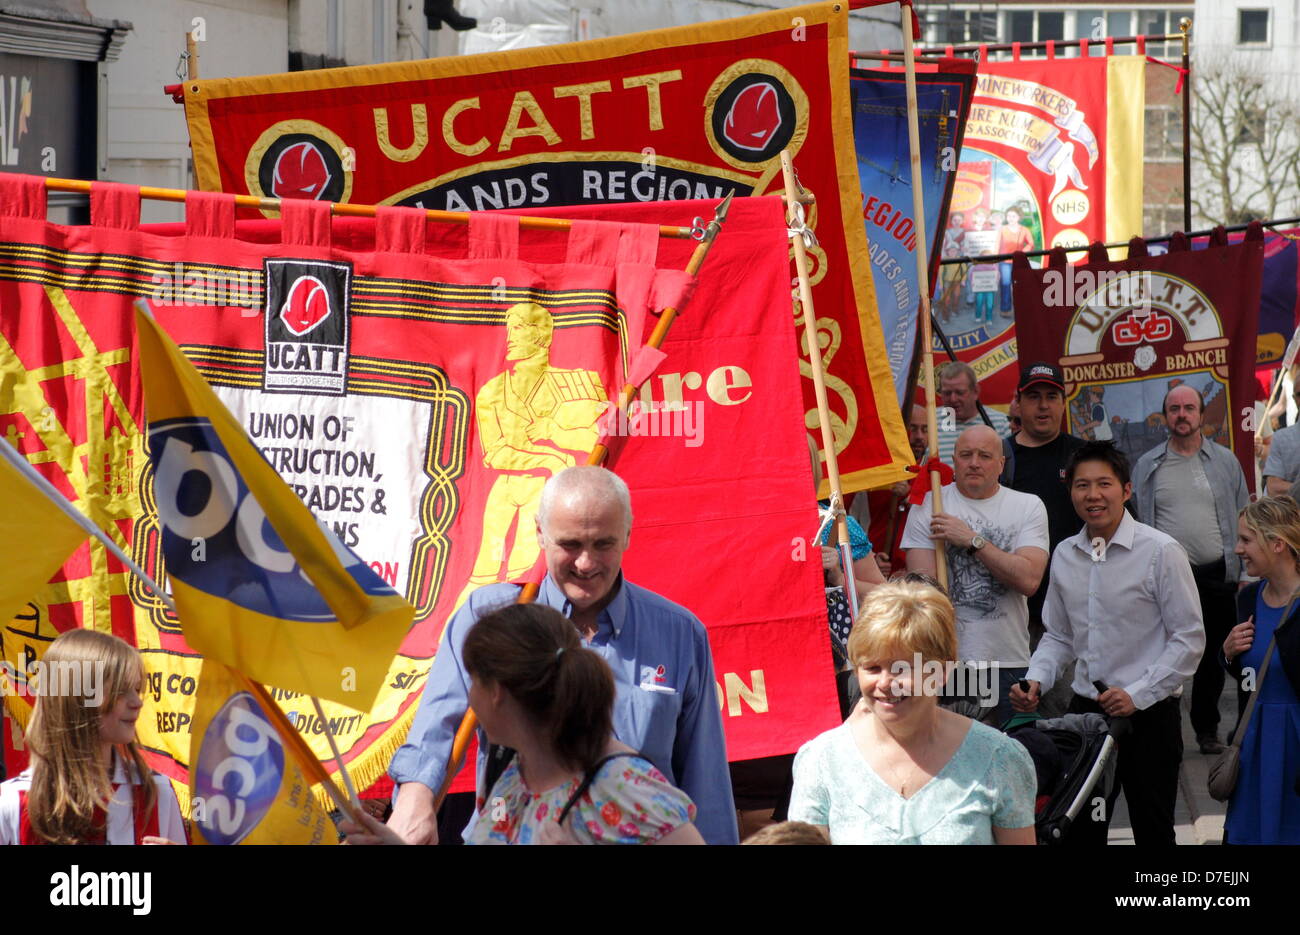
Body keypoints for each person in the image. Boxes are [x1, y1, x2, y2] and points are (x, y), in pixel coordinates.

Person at [387, 465, 738, 845]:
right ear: (540, 532)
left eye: (603, 544)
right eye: (570, 544)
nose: (586, 563)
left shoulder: (680, 634)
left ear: (628, 535)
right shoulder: (491, 617)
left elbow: (706, 780)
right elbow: (437, 726)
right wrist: (414, 800)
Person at [1012, 442, 1204, 845]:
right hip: (1087, 718)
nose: (1093, 495)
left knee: (1153, 830)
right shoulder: (1065, 553)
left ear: (1127, 490)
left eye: (1104, 484)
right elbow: (1060, 635)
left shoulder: (1161, 552)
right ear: (1071, 493)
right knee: (1081, 831)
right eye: (1082, 485)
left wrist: (1137, 694)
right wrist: (1036, 681)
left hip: (1149, 718)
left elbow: (1188, 639)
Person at [788, 578, 1036, 844]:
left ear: (943, 669)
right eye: (872, 668)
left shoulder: (998, 759)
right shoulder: (822, 761)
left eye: (902, 668)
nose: (885, 683)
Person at [902, 425, 1049, 726]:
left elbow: (1028, 580)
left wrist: (971, 540)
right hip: (944, 663)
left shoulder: (1027, 506)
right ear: (954, 460)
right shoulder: (930, 505)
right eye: (966, 455)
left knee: (1010, 755)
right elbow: (921, 595)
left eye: (984, 456)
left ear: (1001, 464)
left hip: (1006, 662)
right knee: (948, 762)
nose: (974, 463)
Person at [1132, 384, 1249, 755]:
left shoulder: (1225, 461)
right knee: (1163, 653)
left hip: (1217, 575)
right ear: (1165, 415)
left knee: (1214, 656)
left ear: (1200, 414)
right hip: (1166, 578)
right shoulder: (1148, 466)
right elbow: (1135, 520)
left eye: (1188, 408)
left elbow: (1245, 514)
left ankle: (1207, 731)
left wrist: (1246, 571)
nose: (1181, 414)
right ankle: (1160, 732)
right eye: (1174, 408)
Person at [0, 629, 186, 845]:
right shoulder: (12, 802)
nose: (137, 702)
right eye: (120, 691)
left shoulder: (156, 792)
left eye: (137, 689)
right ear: (77, 698)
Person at [999, 363, 1085, 716]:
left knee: (1069, 716)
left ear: (1064, 403)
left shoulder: (1085, 457)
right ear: (1018, 404)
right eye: (1033, 397)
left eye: (1052, 396)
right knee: (1015, 715)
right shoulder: (999, 459)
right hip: (1013, 614)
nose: (1044, 405)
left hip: (1073, 613)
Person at [1221, 496, 1300, 845]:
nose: (1239, 549)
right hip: (1253, 740)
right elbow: (1250, 676)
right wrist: (1227, 655)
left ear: (1278, 543)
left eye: (1247, 539)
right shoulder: (1248, 598)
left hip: (1295, 740)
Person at [856, 404, 928, 578]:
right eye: (912, 428)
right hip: (877, 571)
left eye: (925, 430)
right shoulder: (873, 472)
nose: (918, 436)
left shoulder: (936, 474)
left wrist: (910, 495)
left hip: (917, 574)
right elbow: (853, 522)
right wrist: (870, 559)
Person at [934, 362, 1010, 468]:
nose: (953, 399)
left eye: (959, 392)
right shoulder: (929, 421)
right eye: (947, 393)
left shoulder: (1001, 424)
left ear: (975, 391)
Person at [1262, 390, 1300, 495]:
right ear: (1294, 398)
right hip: (1291, 509)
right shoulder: (1281, 438)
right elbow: (1274, 487)